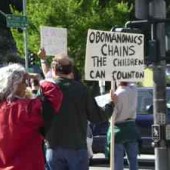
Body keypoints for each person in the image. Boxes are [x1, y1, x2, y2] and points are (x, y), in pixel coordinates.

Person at [42, 53, 114, 170]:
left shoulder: (45, 89)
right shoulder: (81, 89)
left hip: (53, 147)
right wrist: (111, 104)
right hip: (76, 147)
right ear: (71, 70)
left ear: (54, 69)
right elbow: (97, 116)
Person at [0, 63, 63, 170]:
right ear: (15, 85)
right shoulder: (26, 108)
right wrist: (41, 80)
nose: (26, 86)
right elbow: (54, 97)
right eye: (24, 82)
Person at [111, 81, 140, 170]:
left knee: (118, 161)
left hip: (118, 129)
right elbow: (133, 83)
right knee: (133, 160)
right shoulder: (134, 90)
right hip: (131, 128)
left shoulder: (116, 94)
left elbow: (112, 116)